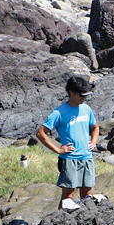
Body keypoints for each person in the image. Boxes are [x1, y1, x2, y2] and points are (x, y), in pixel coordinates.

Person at [36, 75, 99, 210]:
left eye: (86, 95)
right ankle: (58, 223)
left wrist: (93, 143)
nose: (84, 98)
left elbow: (95, 127)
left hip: (87, 158)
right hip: (69, 159)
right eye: (82, 95)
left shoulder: (86, 109)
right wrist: (58, 150)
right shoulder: (58, 113)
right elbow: (40, 133)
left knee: (87, 195)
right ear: (71, 92)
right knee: (68, 197)